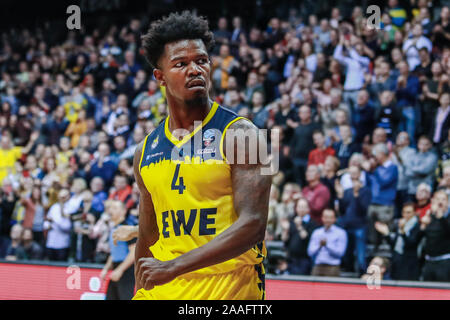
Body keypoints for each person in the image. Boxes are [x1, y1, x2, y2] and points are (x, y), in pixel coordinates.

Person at [133, 11, 271, 300]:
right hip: (166, 287)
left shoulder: (242, 134)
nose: (195, 70)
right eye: (181, 64)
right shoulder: (145, 150)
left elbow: (254, 224)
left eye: (202, 60)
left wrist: (174, 267)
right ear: (160, 76)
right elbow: (148, 235)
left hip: (229, 287)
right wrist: (141, 287)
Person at [336, 165, 371, 275]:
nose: (353, 176)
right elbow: (342, 210)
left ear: (360, 175)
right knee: (347, 252)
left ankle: (362, 272)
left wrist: (356, 195)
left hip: (360, 226)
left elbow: (364, 210)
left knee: (361, 254)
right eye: (351, 174)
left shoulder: (365, 191)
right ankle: (348, 269)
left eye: (355, 173)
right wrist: (340, 196)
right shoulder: (347, 191)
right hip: (347, 225)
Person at [364, 143, 399, 250]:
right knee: (372, 233)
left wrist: (373, 169)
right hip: (373, 203)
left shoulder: (393, 168)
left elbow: (384, 182)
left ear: (382, 154)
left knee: (384, 231)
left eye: (376, 155)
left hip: (385, 204)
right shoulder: (377, 169)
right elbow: (368, 183)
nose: (374, 158)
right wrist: (369, 171)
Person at [375, 203, 421, 280]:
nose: (406, 215)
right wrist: (386, 233)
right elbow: (394, 244)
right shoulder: (400, 224)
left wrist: (403, 231)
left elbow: (411, 244)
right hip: (398, 261)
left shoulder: (417, 226)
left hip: (410, 264)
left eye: (409, 212)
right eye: (404, 212)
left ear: (414, 213)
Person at [100, 200, 136, 300]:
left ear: (124, 211)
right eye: (110, 208)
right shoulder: (114, 228)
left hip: (127, 270)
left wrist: (120, 270)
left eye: (115, 208)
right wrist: (106, 269)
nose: (111, 210)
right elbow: (114, 252)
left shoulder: (128, 228)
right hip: (116, 268)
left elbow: (134, 252)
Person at [280, 198, 318, 275]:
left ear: (308, 209)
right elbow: (284, 239)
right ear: (296, 208)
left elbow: (306, 238)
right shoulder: (292, 221)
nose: (301, 209)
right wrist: (286, 230)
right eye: (299, 206)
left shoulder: (312, 223)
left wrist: (299, 226)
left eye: (304, 207)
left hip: (304, 260)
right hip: (291, 259)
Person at [418, 190, 450, 282]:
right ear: (432, 201)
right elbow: (416, 239)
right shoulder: (429, 217)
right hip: (429, 262)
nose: (440, 202)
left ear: (447, 202)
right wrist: (423, 226)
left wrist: (441, 218)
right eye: (438, 199)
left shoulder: (447, 217)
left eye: (443, 199)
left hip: (445, 261)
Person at [307, 209, 347, 277]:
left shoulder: (341, 233)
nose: (327, 220)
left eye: (330, 217)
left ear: (334, 219)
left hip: (333, 267)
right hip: (317, 267)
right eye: (326, 217)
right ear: (322, 218)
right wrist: (319, 246)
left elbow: (340, 253)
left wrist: (327, 245)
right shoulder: (317, 232)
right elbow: (310, 252)